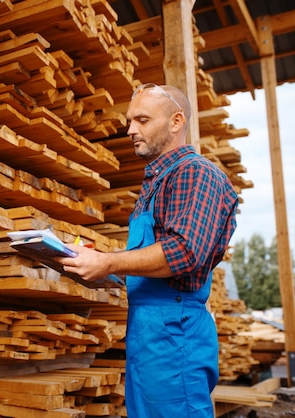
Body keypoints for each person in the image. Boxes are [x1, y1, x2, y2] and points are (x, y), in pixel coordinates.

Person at [58, 83, 238, 417]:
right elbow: (150, 255)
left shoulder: (194, 173)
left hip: (174, 331)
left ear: (176, 121)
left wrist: (109, 262)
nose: (131, 129)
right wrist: (95, 261)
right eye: (129, 121)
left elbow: (184, 252)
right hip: (148, 332)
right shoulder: (158, 180)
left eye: (142, 119)